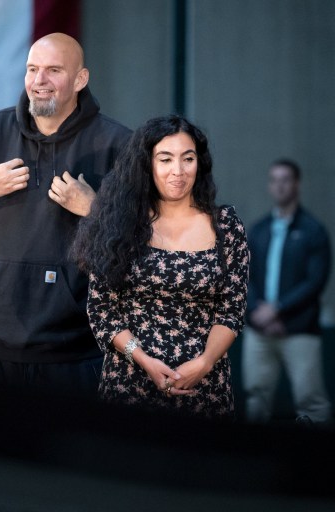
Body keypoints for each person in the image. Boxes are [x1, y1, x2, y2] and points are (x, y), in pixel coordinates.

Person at [0, 33, 131, 400]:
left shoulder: (116, 143)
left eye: (53, 70)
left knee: (66, 459)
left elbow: (146, 247)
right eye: (32, 69)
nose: (39, 81)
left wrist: (94, 210)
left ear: (80, 79)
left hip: (78, 357)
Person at [71, 115, 249, 420]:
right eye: (165, 159)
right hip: (130, 385)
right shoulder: (120, 225)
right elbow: (102, 311)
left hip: (205, 389)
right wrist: (143, 360)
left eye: (187, 158)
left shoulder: (226, 225)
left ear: (199, 164)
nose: (177, 171)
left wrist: (205, 363)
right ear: (147, 165)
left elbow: (231, 309)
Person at [242, 159, 332, 425]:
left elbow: (315, 282)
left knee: (311, 402)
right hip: (258, 331)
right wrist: (259, 311)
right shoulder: (258, 230)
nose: (279, 186)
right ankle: (254, 462)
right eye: (274, 180)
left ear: (297, 184)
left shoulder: (313, 231)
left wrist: (278, 309)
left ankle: (325, 463)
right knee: (255, 399)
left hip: (299, 330)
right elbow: (245, 276)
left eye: (285, 180)